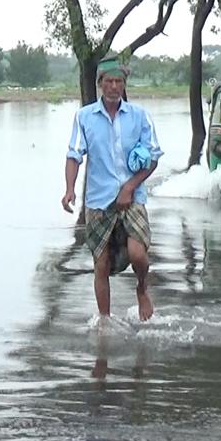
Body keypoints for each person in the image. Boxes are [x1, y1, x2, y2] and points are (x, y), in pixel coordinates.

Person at [62, 57, 163, 321]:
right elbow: (74, 155)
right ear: (100, 84)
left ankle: (142, 288)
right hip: (99, 200)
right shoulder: (84, 117)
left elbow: (153, 158)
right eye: (109, 81)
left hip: (133, 197)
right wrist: (70, 189)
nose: (114, 87)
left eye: (119, 81)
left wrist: (129, 187)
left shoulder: (140, 116)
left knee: (138, 254)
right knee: (102, 263)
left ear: (124, 85)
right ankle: (105, 320)